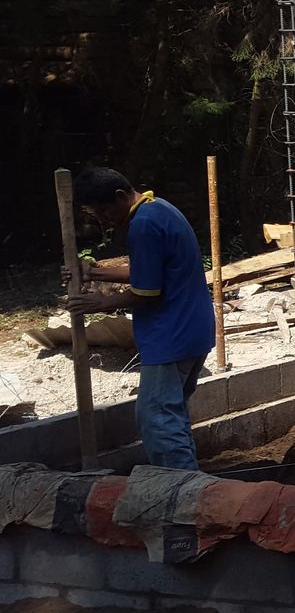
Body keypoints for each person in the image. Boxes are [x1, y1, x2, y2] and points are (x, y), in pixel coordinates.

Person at [65, 168, 216, 471]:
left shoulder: (143, 225)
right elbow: (148, 270)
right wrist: (92, 271)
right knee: (171, 416)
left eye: (105, 211)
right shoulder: (159, 209)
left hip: (171, 335)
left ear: (120, 196)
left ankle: (179, 490)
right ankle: (190, 486)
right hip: (192, 330)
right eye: (97, 216)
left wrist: (100, 303)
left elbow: (148, 292)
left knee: (157, 419)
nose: (104, 220)